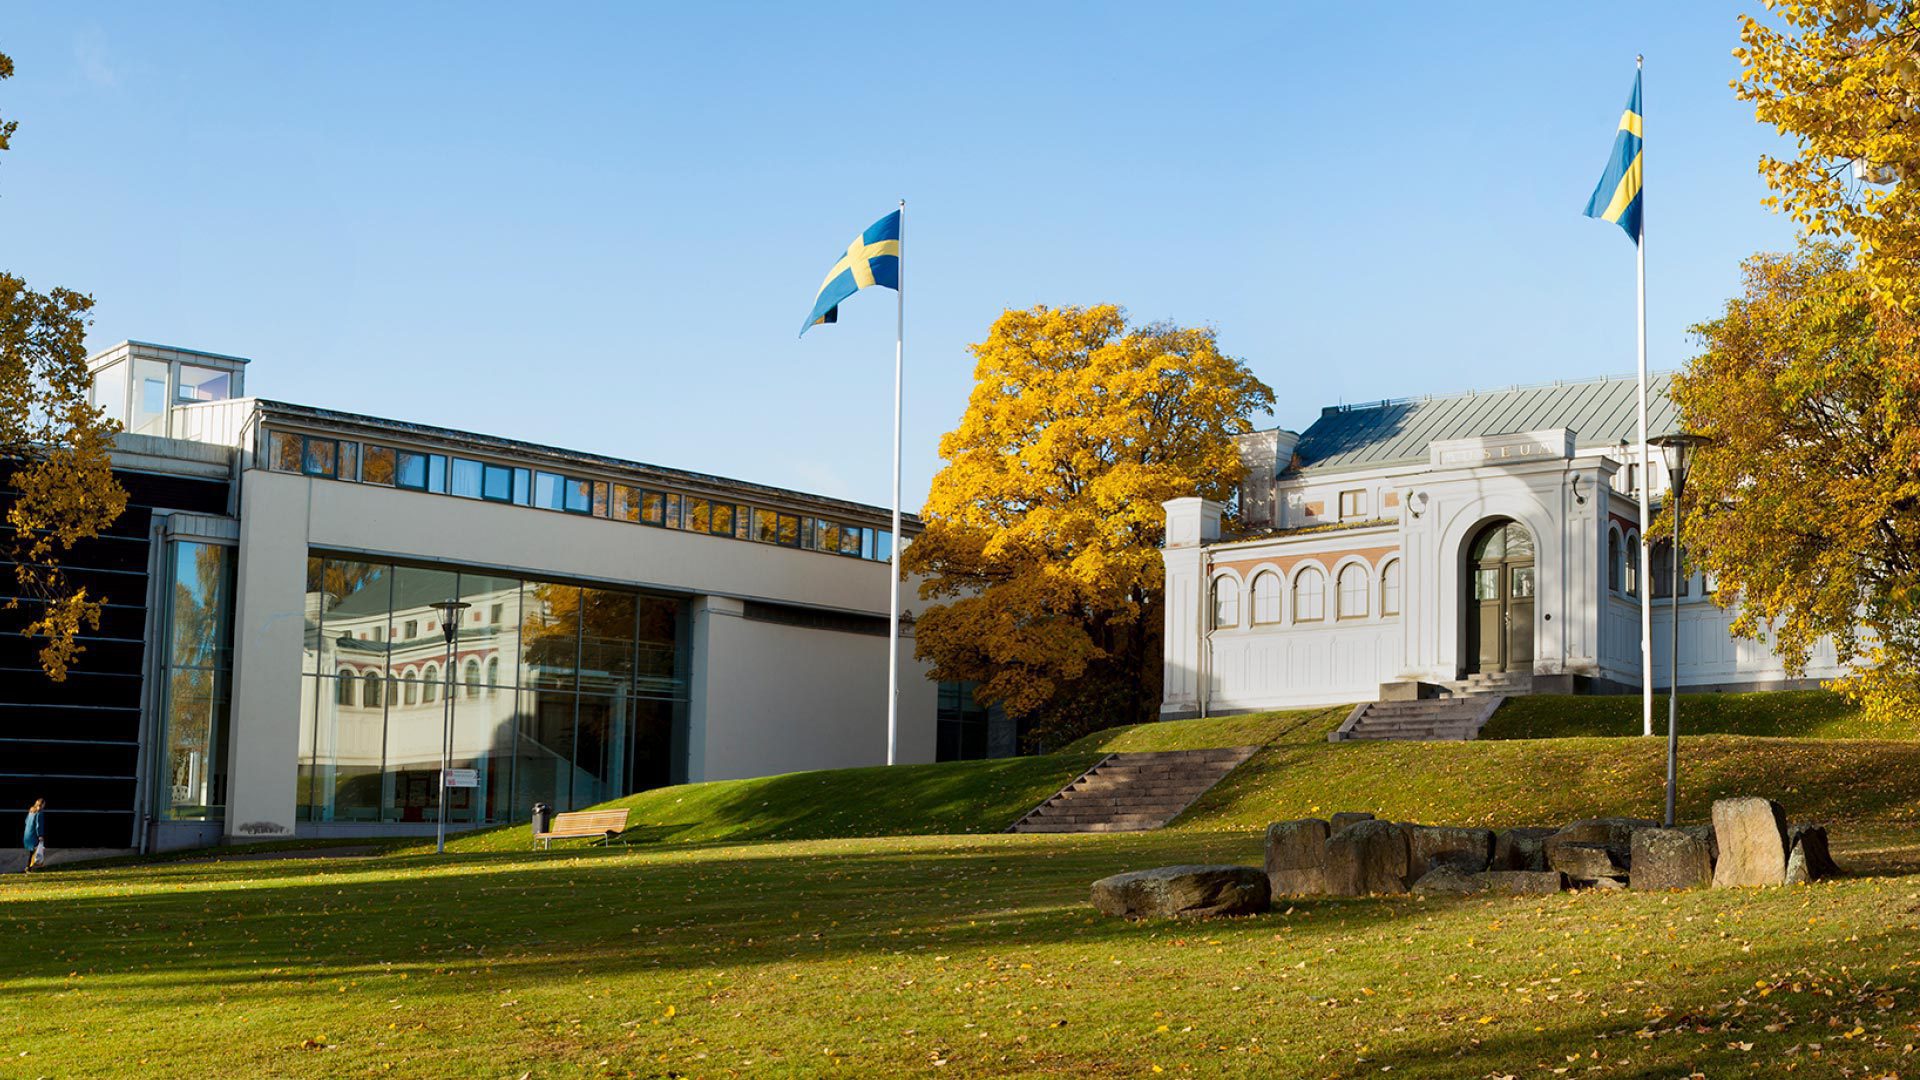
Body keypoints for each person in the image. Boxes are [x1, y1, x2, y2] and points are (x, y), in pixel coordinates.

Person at [22, 798, 45, 872]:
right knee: (34, 852)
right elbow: (38, 825)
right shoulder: (39, 813)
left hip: (27, 833)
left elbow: (26, 821)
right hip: (34, 834)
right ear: (43, 804)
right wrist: (40, 835)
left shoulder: (31, 811)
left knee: (32, 852)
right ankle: (29, 867)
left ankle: (29, 867)